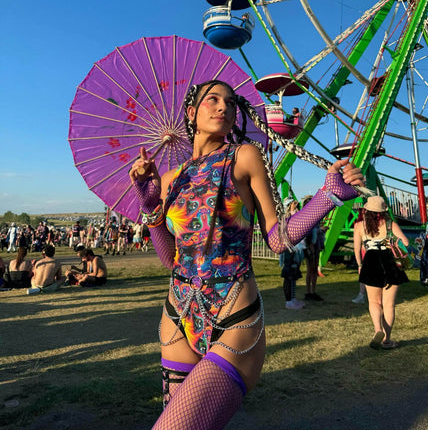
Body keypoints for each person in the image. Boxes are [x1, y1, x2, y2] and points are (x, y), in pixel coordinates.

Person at [129, 79, 364, 429]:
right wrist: (149, 206)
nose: (224, 107)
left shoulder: (244, 156)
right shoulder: (169, 178)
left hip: (233, 313)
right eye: (213, 100)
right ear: (191, 113)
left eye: (230, 102)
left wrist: (327, 197)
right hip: (177, 316)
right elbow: (169, 258)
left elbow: (277, 237)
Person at [353, 196, 409, 350]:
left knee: (374, 302)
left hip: (370, 262)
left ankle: (378, 329)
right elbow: (406, 242)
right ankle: (387, 340)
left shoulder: (359, 226)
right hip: (390, 262)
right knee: (389, 305)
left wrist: (359, 265)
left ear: (367, 209)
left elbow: (357, 249)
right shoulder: (391, 224)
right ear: (382, 211)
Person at [279, 200, 305, 310]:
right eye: (293, 204)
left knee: (293, 276)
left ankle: (292, 298)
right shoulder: (285, 219)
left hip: (295, 249)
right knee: (289, 276)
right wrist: (293, 211)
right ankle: (289, 301)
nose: (297, 206)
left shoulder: (290, 217)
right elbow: (292, 226)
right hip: (290, 250)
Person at [302, 196, 324, 301]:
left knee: (314, 269)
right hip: (310, 244)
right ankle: (308, 291)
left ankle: (313, 291)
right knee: (310, 269)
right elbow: (307, 232)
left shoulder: (316, 216)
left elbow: (316, 230)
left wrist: (321, 230)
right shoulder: (306, 217)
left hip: (317, 244)